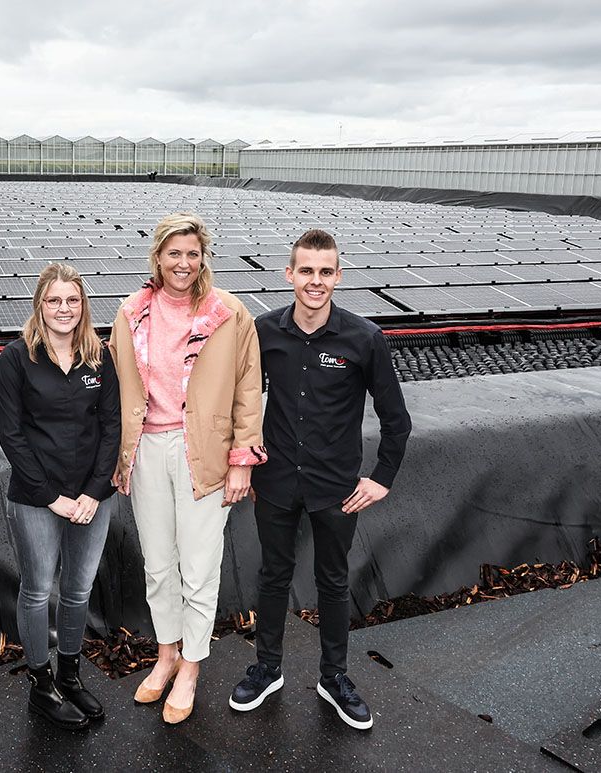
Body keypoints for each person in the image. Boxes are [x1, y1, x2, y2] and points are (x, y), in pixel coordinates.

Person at [228, 229, 411, 730]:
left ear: (338, 276)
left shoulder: (364, 339)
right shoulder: (263, 332)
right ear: (289, 274)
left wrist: (382, 478)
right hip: (277, 481)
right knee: (273, 575)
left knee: (333, 581)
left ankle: (334, 678)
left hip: (336, 488)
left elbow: (397, 419)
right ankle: (267, 669)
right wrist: (240, 454)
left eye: (325, 271)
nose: (315, 281)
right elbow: (236, 398)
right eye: (306, 271)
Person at [110, 212, 266, 725]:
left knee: (199, 568)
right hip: (148, 451)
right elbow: (117, 390)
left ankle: (192, 667)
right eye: (173, 253)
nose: (183, 263)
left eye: (192, 254)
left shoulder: (229, 314)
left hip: (204, 451)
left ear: (204, 259)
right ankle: (167, 653)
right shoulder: (131, 312)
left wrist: (242, 460)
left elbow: (248, 388)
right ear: (157, 257)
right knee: (158, 565)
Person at [0, 263, 121, 730]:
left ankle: (69, 674)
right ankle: (41, 684)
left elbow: (112, 428)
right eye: (54, 300)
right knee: (36, 590)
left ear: (83, 305)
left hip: (93, 498)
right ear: (39, 305)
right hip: (36, 499)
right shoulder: (16, 358)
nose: (64, 309)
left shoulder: (99, 357)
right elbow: (11, 435)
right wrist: (52, 498)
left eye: (73, 300)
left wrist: (92, 493)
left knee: (78, 589)